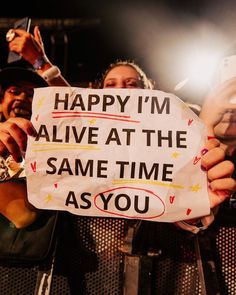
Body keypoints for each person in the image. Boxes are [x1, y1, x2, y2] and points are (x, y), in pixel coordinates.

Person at [0, 59, 235, 294]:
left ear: (150, 95)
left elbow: (181, 217)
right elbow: (25, 211)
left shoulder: (178, 152)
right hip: (80, 280)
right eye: (111, 85)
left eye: (131, 84)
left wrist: (198, 205)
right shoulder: (66, 149)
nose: (121, 91)